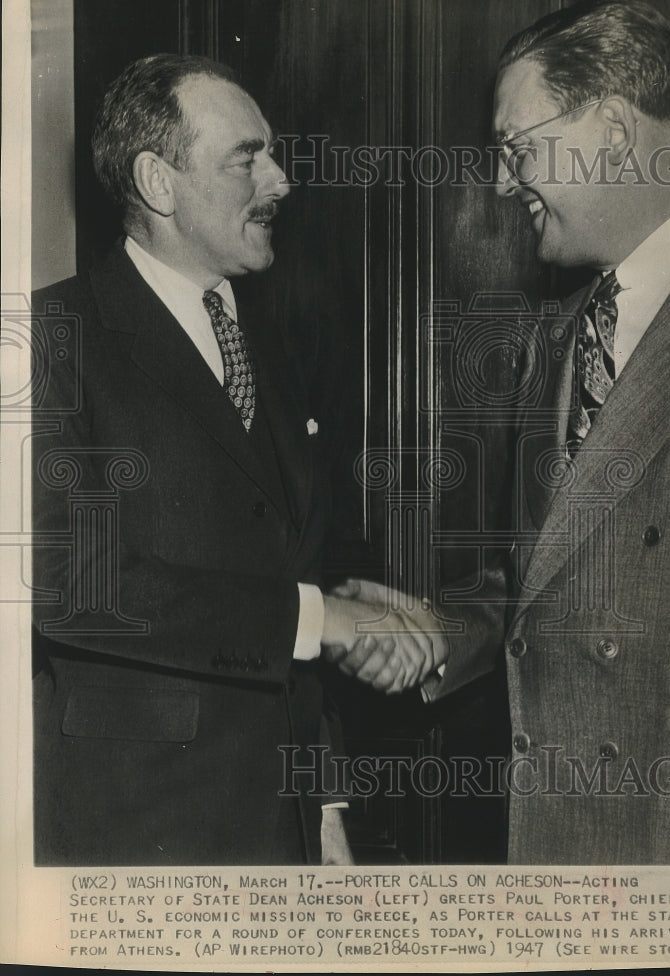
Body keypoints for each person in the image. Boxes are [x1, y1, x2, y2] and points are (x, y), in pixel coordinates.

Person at [336, 0, 670, 865]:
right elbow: (553, 572)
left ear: (609, 127)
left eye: (516, 148)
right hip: (559, 840)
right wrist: (438, 631)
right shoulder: (563, 334)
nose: (499, 182)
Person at [31, 53, 409, 866]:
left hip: (283, 827)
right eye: (247, 156)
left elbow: (286, 564)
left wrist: (326, 802)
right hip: (134, 834)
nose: (278, 180)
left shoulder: (268, 345)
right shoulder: (49, 339)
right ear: (159, 184)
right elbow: (70, 585)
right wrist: (318, 618)